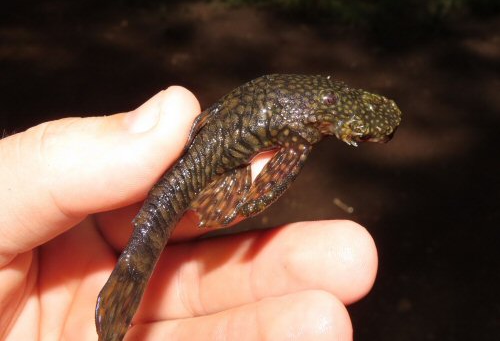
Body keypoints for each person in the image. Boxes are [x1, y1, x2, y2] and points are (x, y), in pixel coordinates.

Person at [0, 86, 378, 340]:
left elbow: (253, 94)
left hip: (210, 148)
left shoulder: (307, 97)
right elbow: (270, 185)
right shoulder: (304, 131)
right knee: (157, 226)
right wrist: (248, 203)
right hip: (210, 161)